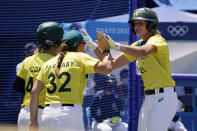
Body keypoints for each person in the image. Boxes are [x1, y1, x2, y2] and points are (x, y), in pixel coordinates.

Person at [83, 7, 178, 131]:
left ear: (151, 25)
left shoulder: (158, 40)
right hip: (149, 99)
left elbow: (143, 52)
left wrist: (116, 46)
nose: (136, 26)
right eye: (135, 24)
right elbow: (112, 64)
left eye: (141, 23)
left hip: (165, 98)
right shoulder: (137, 45)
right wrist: (95, 47)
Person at [29, 30, 113, 131]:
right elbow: (107, 67)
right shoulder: (80, 57)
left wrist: (33, 120)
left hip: (48, 114)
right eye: (84, 44)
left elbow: (34, 92)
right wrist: (103, 48)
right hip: (69, 114)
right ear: (79, 45)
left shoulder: (48, 63)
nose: (86, 46)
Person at [13, 21, 64, 131]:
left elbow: (18, 87)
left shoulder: (27, 61)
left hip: (24, 114)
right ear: (56, 42)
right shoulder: (57, 62)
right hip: (43, 115)